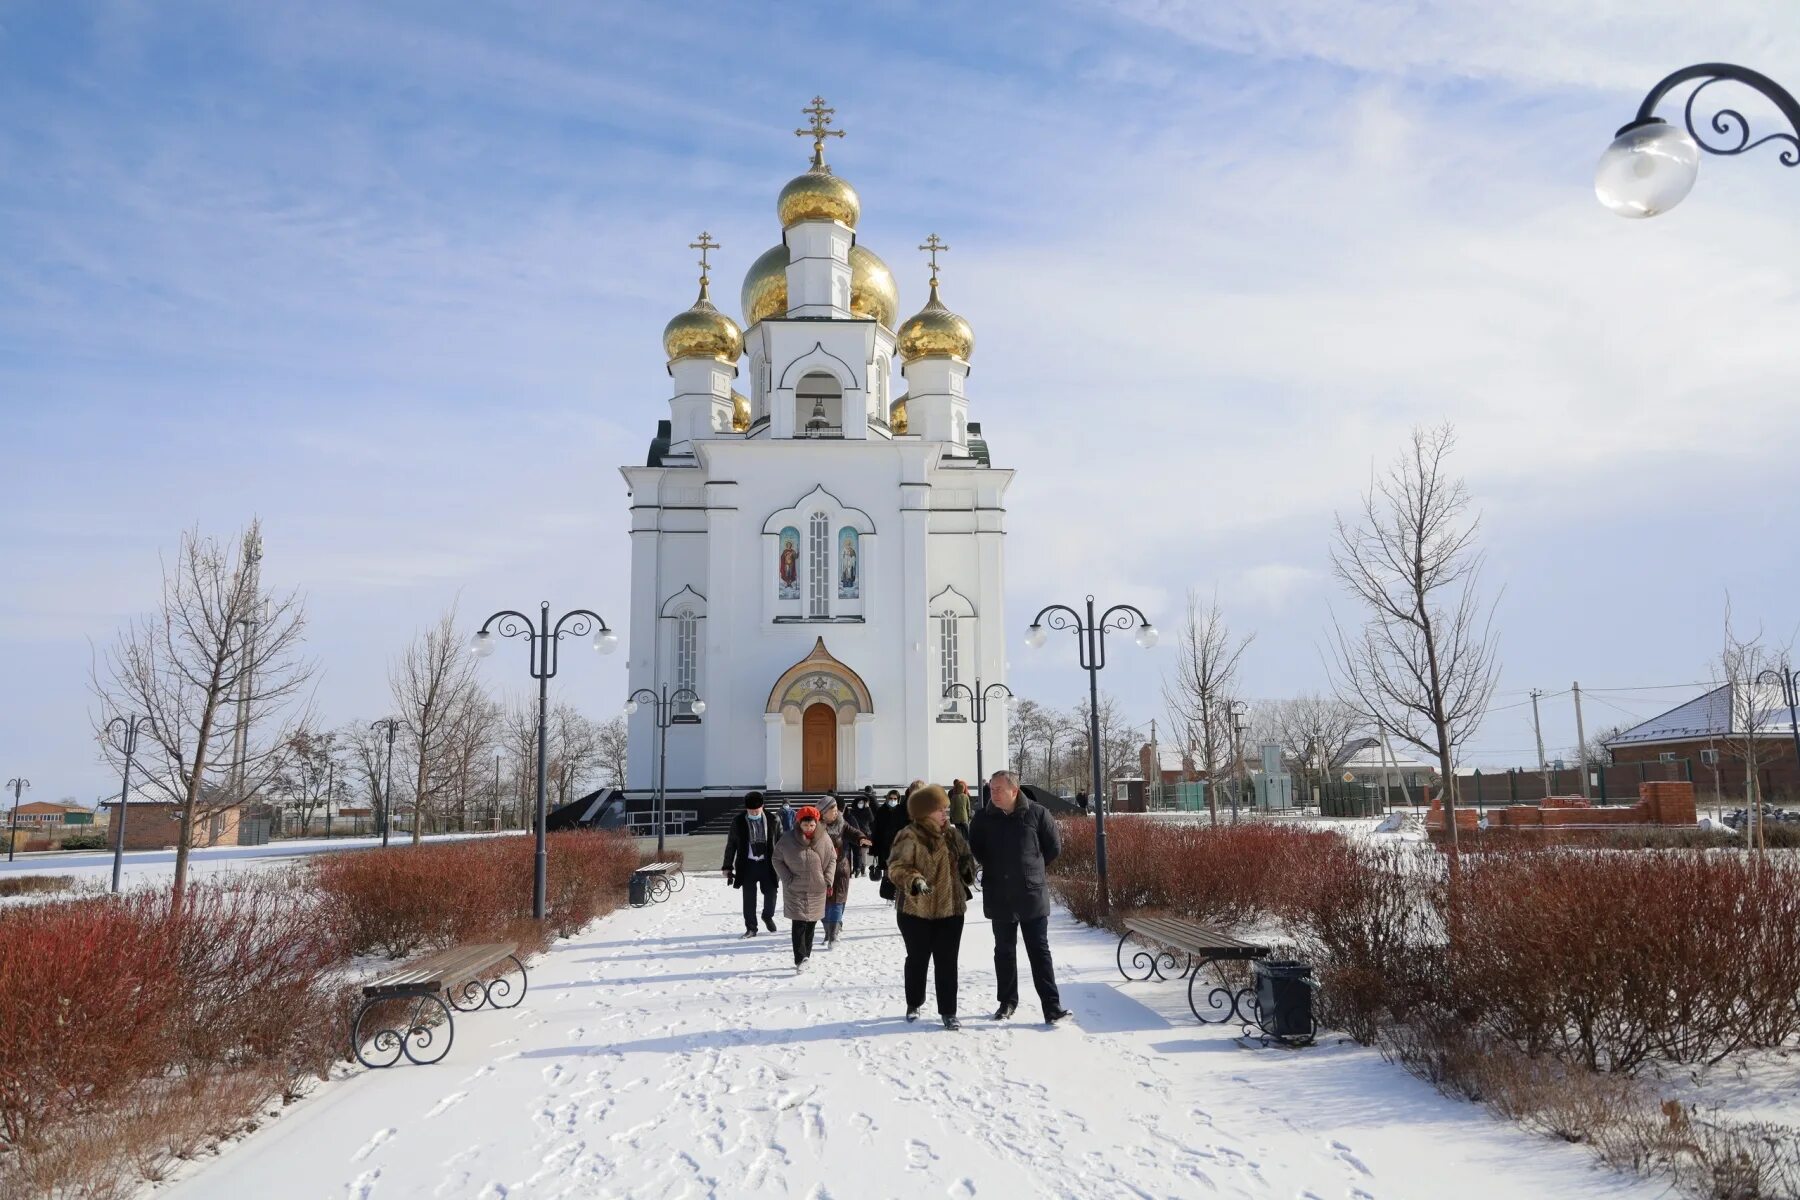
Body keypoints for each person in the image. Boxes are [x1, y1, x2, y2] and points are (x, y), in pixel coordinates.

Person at [969, 770, 1071, 1025]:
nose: (993, 793)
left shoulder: (1037, 813)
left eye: (998, 789)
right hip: (999, 894)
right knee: (1004, 951)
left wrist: (1030, 870)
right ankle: (1007, 1002)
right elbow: (976, 849)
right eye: (991, 789)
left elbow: (1053, 848)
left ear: (1014, 790)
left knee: (1039, 951)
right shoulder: (983, 818)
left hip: (1031, 894)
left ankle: (1051, 1006)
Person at [885, 783, 977, 1030]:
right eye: (941, 809)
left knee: (947, 962)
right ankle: (914, 1002)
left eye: (947, 809)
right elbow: (896, 867)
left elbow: (967, 858)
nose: (946, 813)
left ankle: (949, 1012)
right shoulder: (908, 835)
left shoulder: (953, 834)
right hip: (916, 910)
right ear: (925, 812)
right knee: (918, 959)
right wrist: (915, 880)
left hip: (950, 909)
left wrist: (969, 867)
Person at [772, 805, 836, 972]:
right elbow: (776, 859)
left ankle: (806, 954)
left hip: (817, 889)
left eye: (812, 825)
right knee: (799, 923)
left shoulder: (824, 838)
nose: (809, 828)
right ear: (799, 823)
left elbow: (832, 859)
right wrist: (787, 879)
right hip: (795, 889)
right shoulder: (787, 839)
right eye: (805, 825)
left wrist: (827, 879)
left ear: (816, 823)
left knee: (811, 924)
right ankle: (800, 958)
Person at [722, 792, 780, 936]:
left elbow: (781, 843)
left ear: (763, 806)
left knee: (771, 893)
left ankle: (767, 915)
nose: (754, 813)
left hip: (768, 864)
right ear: (746, 809)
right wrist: (727, 866)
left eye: (757, 810)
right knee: (749, 898)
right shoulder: (738, 821)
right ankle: (751, 928)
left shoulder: (774, 820)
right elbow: (731, 845)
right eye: (751, 811)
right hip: (747, 865)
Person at [819, 797, 871, 946]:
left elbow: (854, 832)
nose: (836, 813)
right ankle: (828, 931)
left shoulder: (842, 823)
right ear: (823, 812)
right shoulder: (815, 826)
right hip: (820, 870)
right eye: (833, 811)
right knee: (822, 902)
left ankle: (833, 934)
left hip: (840, 867)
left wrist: (861, 838)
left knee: (837, 900)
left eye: (837, 810)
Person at [871, 789, 907, 878]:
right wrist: (874, 849)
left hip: (899, 847)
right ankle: (886, 889)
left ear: (898, 799)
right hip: (884, 847)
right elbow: (876, 830)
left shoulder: (902, 812)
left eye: (895, 799)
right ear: (887, 799)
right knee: (887, 874)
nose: (893, 800)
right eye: (891, 798)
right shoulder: (881, 811)